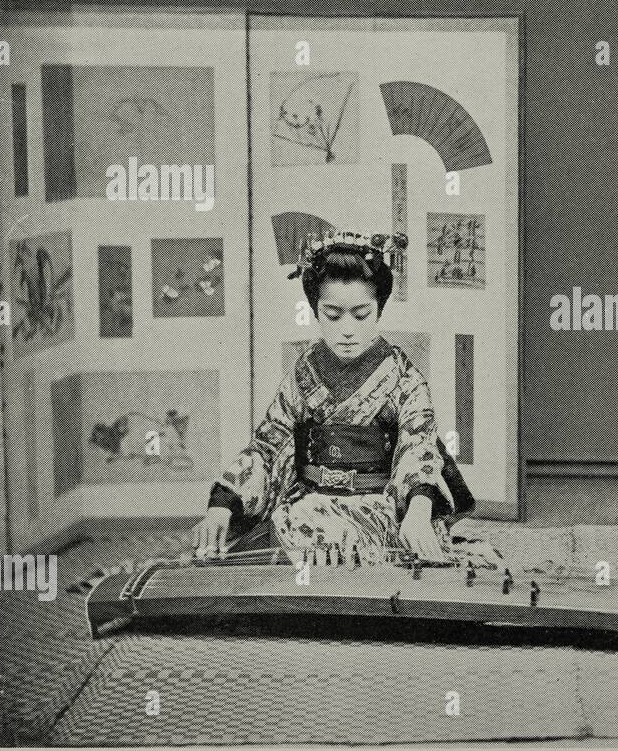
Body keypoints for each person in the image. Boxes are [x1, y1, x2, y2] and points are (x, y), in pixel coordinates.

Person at [192, 229, 488, 569]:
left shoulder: (403, 378)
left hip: (378, 507)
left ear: (379, 310)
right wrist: (222, 505)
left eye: (361, 315)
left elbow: (418, 447)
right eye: (333, 315)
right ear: (316, 310)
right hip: (310, 500)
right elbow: (269, 445)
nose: (347, 329)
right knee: (240, 556)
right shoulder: (304, 374)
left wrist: (419, 511)